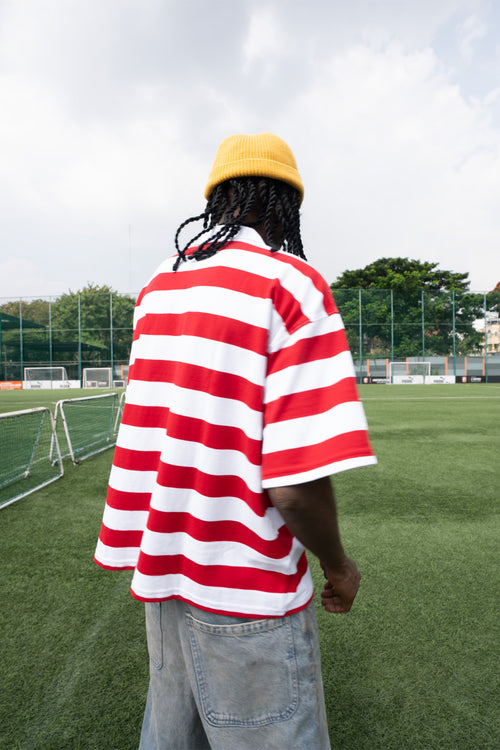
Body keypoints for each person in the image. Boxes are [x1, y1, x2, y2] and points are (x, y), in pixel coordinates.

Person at [95, 132, 376, 750]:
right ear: (286, 206)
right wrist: (339, 565)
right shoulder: (290, 285)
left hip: (164, 571)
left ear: (216, 200)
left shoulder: (157, 289)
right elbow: (295, 483)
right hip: (246, 581)